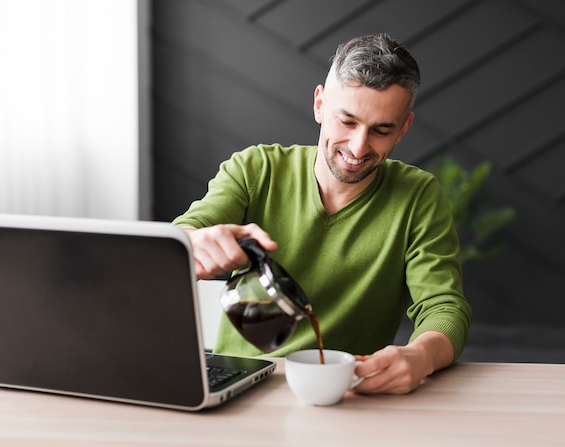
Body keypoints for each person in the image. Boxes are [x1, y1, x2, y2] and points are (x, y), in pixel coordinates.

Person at [173, 33, 471, 395]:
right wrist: (190, 243)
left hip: (350, 392)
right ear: (319, 105)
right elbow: (187, 232)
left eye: (381, 130)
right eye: (347, 121)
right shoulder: (255, 169)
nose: (359, 147)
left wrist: (421, 356)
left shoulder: (419, 196)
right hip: (242, 384)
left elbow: (443, 306)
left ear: (403, 128)